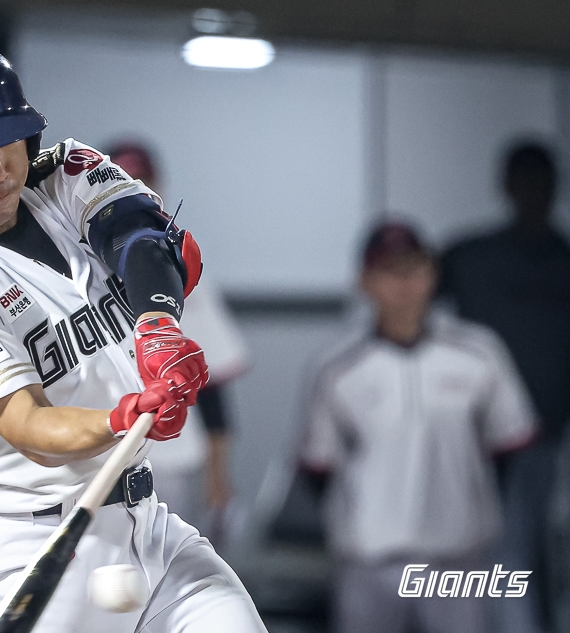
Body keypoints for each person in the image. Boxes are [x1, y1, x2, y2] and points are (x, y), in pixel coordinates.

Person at [0, 42, 267, 633]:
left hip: (146, 523)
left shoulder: (63, 173)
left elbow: (141, 237)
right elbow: (30, 427)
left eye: (7, 140)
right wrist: (121, 418)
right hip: (26, 547)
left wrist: (157, 325)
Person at [299, 221, 537, 633]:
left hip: (457, 557)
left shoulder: (479, 351)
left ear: (433, 274)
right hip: (370, 559)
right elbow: (319, 467)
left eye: (415, 268)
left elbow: (509, 445)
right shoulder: (338, 367)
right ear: (365, 281)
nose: (404, 283)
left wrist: (469, 504)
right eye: (390, 271)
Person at [441, 140, 570, 633]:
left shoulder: (564, 261)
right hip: (470, 437)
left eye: (543, 181)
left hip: (546, 439)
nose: (534, 192)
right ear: (508, 186)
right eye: (525, 181)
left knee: (527, 552)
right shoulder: (470, 257)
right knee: (467, 551)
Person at [103, 141, 249, 545]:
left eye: (142, 181)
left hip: (169, 456)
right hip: (99, 452)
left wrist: (218, 477)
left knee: (167, 573)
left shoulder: (180, 269)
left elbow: (213, 387)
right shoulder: (71, 269)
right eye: (122, 180)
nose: (134, 190)